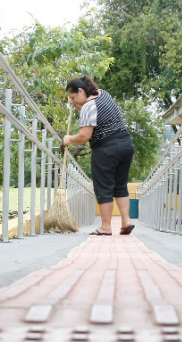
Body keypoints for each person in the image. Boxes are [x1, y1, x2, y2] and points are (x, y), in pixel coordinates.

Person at [63, 76, 136, 236]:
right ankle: (126, 222)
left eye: (73, 97)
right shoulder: (103, 94)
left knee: (104, 187)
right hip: (125, 144)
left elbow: (84, 136)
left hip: (106, 149)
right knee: (120, 186)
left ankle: (106, 227)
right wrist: (76, 105)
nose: (73, 100)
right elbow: (93, 114)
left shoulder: (89, 107)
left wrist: (69, 139)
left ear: (81, 91)